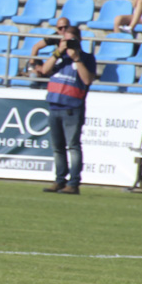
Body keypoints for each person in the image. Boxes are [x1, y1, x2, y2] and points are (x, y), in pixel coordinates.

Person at [37, 25, 96, 194]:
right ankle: (59, 180)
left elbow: (87, 80)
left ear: (79, 40)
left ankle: (74, 182)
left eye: (71, 41)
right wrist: (58, 52)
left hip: (72, 108)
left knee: (73, 146)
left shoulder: (87, 58)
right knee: (57, 148)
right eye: (64, 40)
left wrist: (77, 58)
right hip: (54, 105)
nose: (67, 44)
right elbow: (44, 71)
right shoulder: (59, 57)